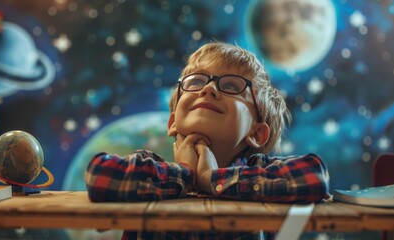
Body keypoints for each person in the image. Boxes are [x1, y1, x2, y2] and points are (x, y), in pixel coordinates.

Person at [85, 41, 330, 240]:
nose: (208, 90)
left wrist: (213, 180)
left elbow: (313, 177)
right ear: (172, 123)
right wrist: (186, 173)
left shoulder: (262, 171)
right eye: (196, 82)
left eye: (231, 86)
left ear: (256, 134)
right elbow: (100, 176)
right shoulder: (148, 166)